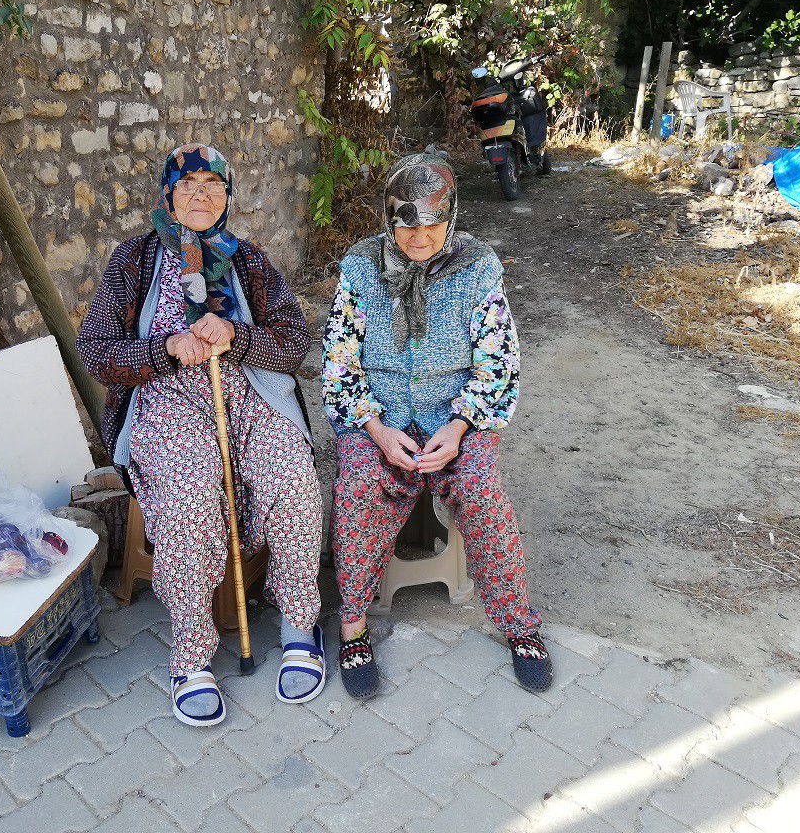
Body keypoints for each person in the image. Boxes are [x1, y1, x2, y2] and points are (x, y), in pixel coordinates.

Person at [77, 144, 325, 727]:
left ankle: (299, 623)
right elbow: (96, 350)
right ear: (167, 193)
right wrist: (166, 349)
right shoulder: (134, 261)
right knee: (187, 508)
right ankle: (191, 659)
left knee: (292, 481)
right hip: (167, 405)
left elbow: (295, 344)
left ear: (227, 197)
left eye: (214, 183)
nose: (200, 193)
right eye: (187, 183)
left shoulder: (248, 260)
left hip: (252, 400)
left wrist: (236, 335)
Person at [322, 152, 552, 698]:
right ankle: (352, 624)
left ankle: (518, 622)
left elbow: (498, 359)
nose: (419, 236)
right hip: (375, 411)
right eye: (407, 222)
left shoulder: (478, 266)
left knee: (480, 487)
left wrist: (460, 426)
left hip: (457, 413)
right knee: (357, 483)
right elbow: (339, 360)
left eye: (432, 221)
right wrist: (375, 429)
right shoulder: (360, 267)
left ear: (450, 216)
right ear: (388, 218)